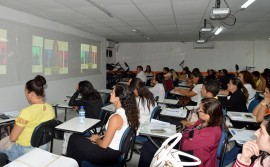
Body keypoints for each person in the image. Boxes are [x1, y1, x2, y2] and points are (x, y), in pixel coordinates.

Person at [67, 83, 139, 166]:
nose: (110, 93)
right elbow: (115, 133)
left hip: (107, 155)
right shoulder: (129, 112)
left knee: (74, 138)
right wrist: (100, 137)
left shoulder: (116, 118)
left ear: (118, 98)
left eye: (112, 92)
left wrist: (96, 139)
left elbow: (104, 145)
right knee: (80, 144)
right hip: (115, 153)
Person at [138, 98, 224, 167]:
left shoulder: (211, 133)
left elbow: (184, 145)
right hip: (190, 147)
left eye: (200, 110)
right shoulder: (204, 120)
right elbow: (188, 131)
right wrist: (188, 136)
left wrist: (185, 135)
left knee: (149, 147)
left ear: (209, 114)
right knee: (154, 142)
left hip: (194, 159)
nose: (198, 111)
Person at [0, 75, 55, 161]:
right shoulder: (50, 108)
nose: (25, 94)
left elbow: (13, 138)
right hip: (43, 146)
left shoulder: (26, 112)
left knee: (5, 141)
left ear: (31, 93)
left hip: (24, 150)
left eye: (25, 91)